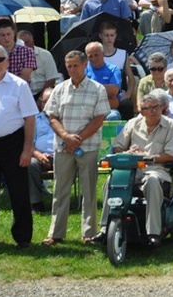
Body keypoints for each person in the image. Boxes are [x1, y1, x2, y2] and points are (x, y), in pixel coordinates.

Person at [93, 90, 173, 247]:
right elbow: (117, 147)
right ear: (143, 110)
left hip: (156, 169)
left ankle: (153, 232)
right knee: (111, 180)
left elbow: (172, 155)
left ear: (162, 108)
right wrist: (127, 153)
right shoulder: (133, 123)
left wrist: (148, 157)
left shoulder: (171, 125)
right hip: (131, 168)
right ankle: (105, 227)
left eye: (156, 107)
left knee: (152, 181)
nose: (153, 111)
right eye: (149, 108)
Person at [42, 50, 109, 246]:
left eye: (75, 65)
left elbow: (99, 119)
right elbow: (52, 116)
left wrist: (77, 139)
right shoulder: (59, 89)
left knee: (89, 191)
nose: (72, 69)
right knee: (60, 191)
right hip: (63, 147)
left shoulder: (97, 89)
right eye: (68, 66)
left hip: (87, 147)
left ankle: (89, 233)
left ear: (85, 64)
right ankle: (56, 233)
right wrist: (65, 136)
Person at [0, 43, 36, 248]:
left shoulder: (19, 85)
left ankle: (23, 238)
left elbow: (30, 119)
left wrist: (27, 149)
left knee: (19, 192)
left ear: (7, 61)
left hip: (13, 143)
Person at [0, 17, 36, 82]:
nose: (6, 38)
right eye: (2, 35)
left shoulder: (27, 52)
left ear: (14, 32)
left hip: (20, 90)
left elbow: (25, 77)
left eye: (8, 34)